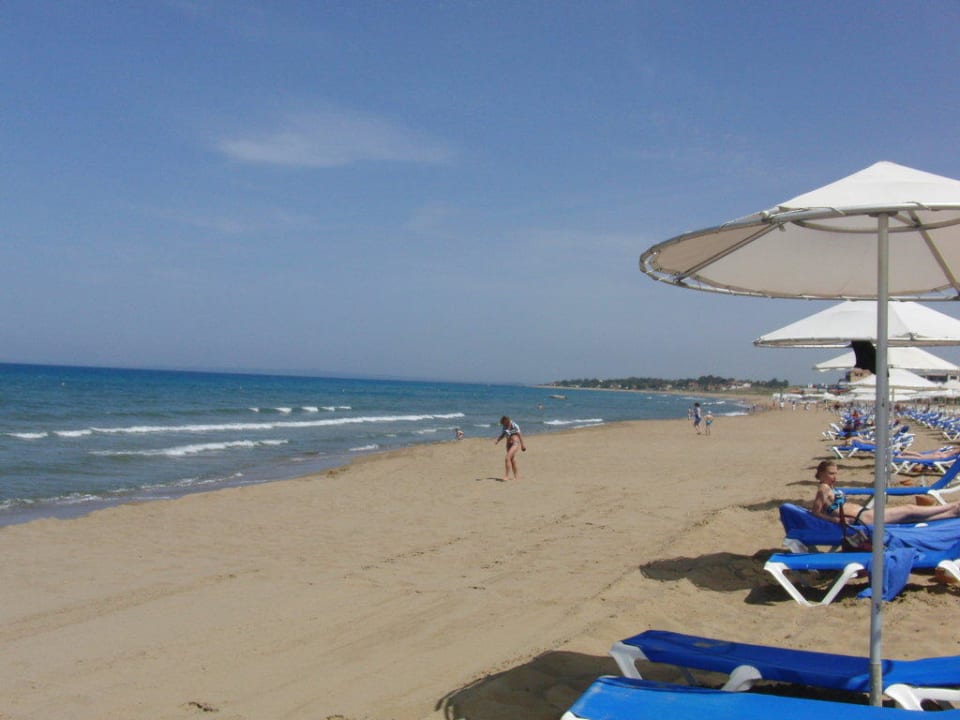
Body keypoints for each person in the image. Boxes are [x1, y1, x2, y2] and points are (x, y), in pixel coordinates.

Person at [811, 460, 960, 525]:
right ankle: (952, 507)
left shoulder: (829, 488)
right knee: (909, 510)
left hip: (864, 515)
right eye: (831, 473)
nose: (834, 477)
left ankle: (952, 512)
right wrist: (834, 520)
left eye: (835, 473)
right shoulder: (823, 489)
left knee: (910, 517)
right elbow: (815, 512)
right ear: (822, 473)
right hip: (862, 518)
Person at [494, 415, 526, 481]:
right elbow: (503, 434)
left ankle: (506, 476)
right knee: (512, 459)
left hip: (515, 443)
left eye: (503, 423)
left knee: (507, 458)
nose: (503, 424)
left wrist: (523, 445)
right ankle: (516, 476)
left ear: (507, 421)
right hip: (508, 444)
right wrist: (498, 440)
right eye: (502, 423)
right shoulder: (504, 426)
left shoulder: (514, 425)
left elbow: (519, 435)